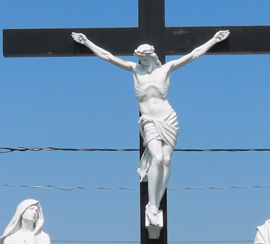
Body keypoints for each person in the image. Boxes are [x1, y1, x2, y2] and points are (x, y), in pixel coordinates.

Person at [71, 29, 229, 233]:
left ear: (152, 57)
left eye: (145, 59)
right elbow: (108, 56)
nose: (143, 63)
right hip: (148, 121)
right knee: (156, 158)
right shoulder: (133, 69)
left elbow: (194, 54)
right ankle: (152, 205)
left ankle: (157, 201)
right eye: (141, 59)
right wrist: (87, 42)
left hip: (168, 119)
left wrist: (213, 40)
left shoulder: (167, 69)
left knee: (166, 160)